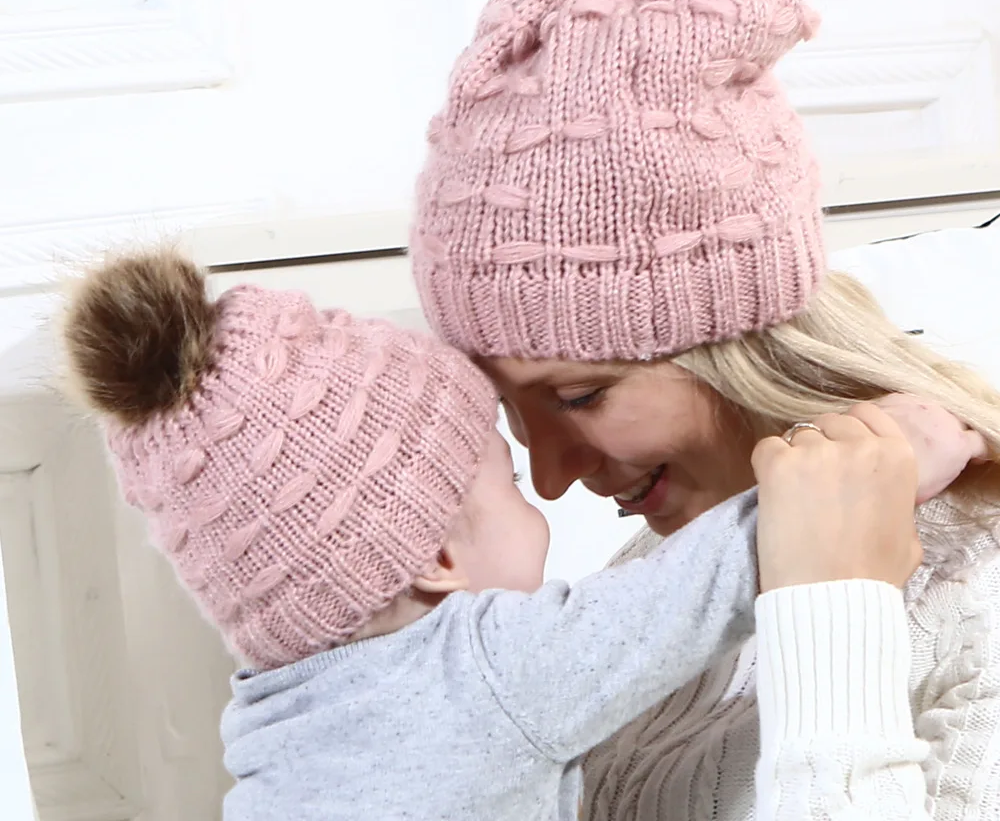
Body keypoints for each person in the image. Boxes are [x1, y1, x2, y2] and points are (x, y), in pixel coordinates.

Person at [411, 0, 1000, 819]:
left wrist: (832, 607)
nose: (553, 482)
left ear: (739, 344)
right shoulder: (660, 577)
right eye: (507, 413)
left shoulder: (978, 596)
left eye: (578, 397)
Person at [61, 249, 789, 821]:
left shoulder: (270, 717)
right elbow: (700, 586)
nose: (538, 496)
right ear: (438, 559)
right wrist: (843, 465)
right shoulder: (485, 666)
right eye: (506, 484)